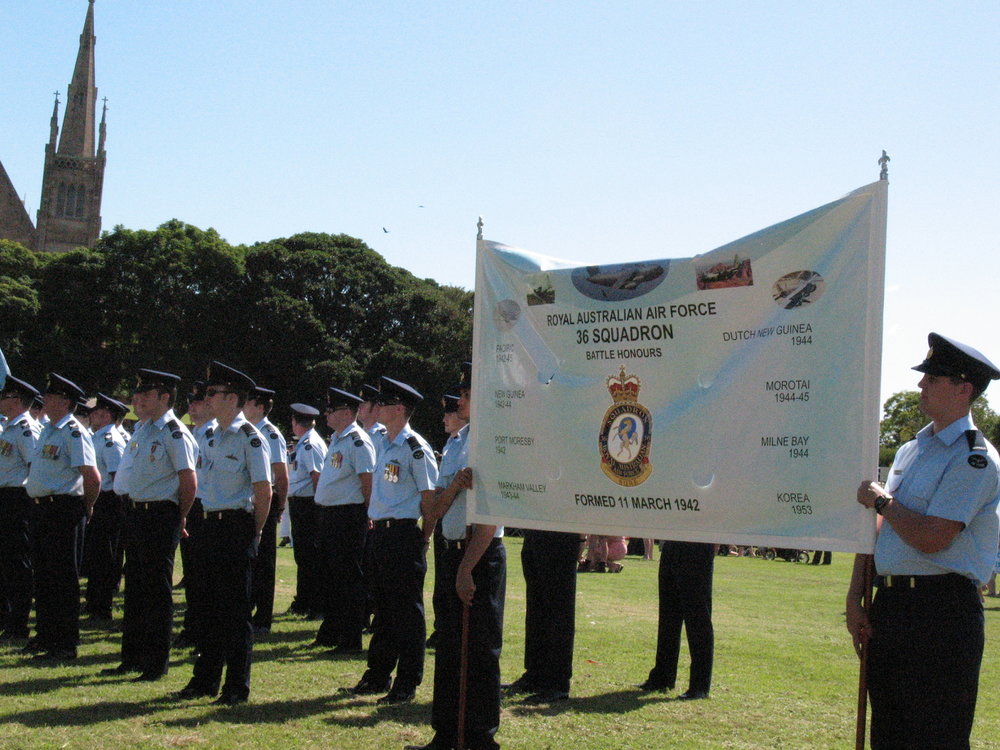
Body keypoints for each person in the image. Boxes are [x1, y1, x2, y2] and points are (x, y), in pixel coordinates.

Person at [847, 333, 1000, 749]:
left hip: (942, 612)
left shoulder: (974, 458)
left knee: (935, 736)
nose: (921, 384)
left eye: (932, 378)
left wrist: (882, 501)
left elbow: (932, 537)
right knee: (889, 734)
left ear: (964, 389)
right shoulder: (911, 450)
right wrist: (855, 597)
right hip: (891, 606)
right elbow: (878, 531)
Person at [417, 365, 507, 750]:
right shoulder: (457, 442)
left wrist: (467, 569)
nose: (460, 401)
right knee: (450, 648)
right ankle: (446, 735)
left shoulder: (491, 441)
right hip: (450, 549)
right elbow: (433, 509)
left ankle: (480, 740)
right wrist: (455, 485)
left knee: (481, 651)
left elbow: (490, 515)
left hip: (479, 555)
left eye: (467, 394)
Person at [177, 362, 272, 705]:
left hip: (235, 525)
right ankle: (204, 680)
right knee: (206, 607)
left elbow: (264, 491)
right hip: (208, 523)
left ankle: (236, 685)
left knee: (234, 611)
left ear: (232, 398)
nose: (206, 399)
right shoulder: (208, 435)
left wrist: (254, 532)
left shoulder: (250, 438)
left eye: (212, 393)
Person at [105, 369, 197, 682]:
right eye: (138, 393)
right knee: (135, 586)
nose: (138, 399)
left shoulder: (174, 432)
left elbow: (188, 479)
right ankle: (131, 657)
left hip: (161, 514)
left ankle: (156, 662)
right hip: (136, 512)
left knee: (157, 590)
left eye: (146, 394)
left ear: (164, 397)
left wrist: (180, 516)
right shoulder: (143, 429)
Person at [350, 376, 438, 704]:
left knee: (407, 612)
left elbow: (429, 501)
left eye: (384, 404)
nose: (377, 409)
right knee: (384, 609)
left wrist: (423, 540)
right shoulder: (383, 443)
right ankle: (377, 675)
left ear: (399, 409)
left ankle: (407, 681)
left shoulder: (416, 448)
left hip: (403, 535)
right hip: (380, 534)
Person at [23, 373, 100, 661]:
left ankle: (65, 642)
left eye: (51, 396)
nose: (44, 399)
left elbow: (91, 476)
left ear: (65, 402)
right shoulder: (48, 429)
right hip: (41, 508)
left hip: (63, 509)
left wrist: (87, 507)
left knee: (63, 578)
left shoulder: (73, 431)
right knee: (43, 575)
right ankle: (45, 634)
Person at [312, 387, 376, 652]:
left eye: (332, 409)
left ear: (348, 413)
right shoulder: (338, 439)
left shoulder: (358, 441)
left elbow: (367, 481)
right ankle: (331, 630)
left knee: (348, 578)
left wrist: (369, 514)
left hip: (349, 516)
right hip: (330, 514)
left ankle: (350, 638)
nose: (327, 414)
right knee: (331, 576)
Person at [639, 541, 716, 699]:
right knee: (668, 615)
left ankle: (700, 685)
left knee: (697, 616)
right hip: (673, 544)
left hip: (699, 545)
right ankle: (662, 676)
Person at [244, 386, 289, 636]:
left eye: (247, 402)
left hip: (267, 499)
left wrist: (279, 505)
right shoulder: (247, 430)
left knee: (264, 561)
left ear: (260, 407)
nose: (243, 406)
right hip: (249, 500)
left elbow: (281, 475)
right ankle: (248, 608)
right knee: (250, 559)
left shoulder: (270, 434)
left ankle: (263, 617)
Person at [0, 376, 42, 642]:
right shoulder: (10, 427)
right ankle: (5, 616)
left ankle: (18, 623)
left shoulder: (26, 429)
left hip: (18, 499)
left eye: (4, 396)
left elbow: (34, 466)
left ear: (16, 400)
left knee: (18, 563)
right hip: (6, 497)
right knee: (5, 561)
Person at [175, 381, 215, 651]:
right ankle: (194, 625)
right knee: (192, 571)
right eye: (190, 402)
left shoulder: (213, 435)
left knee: (203, 573)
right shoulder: (194, 433)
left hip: (206, 508)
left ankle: (201, 629)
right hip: (192, 507)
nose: (192, 406)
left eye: (198, 402)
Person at [82, 393, 129, 621]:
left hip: (109, 501)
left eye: (97, 413)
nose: (92, 416)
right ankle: (93, 600)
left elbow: (117, 476)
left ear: (107, 416)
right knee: (95, 554)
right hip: (98, 498)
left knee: (105, 555)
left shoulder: (111, 440)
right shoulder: (97, 437)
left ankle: (102, 606)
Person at [427, 393, 467, 650]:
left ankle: (446, 631)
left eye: (449, 413)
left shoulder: (465, 444)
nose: (444, 419)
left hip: (460, 524)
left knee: (451, 584)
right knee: (442, 583)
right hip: (445, 519)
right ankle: (441, 629)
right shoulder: (451, 444)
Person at [285, 403, 327, 618]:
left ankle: (313, 603)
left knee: (310, 556)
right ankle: (304, 600)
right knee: (303, 555)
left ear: (296, 422)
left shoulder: (310, 444)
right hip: (301, 504)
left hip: (309, 505)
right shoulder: (305, 443)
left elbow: (317, 477)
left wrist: (319, 508)